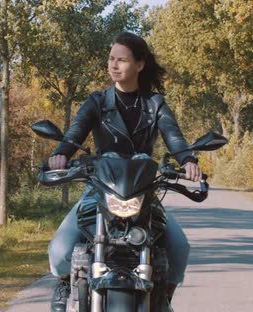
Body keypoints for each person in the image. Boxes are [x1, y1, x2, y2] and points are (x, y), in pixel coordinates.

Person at [47, 31, 201, 311]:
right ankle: (64, 284)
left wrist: (188, 160)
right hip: (101, 190)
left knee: (179, 248)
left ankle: (161, 297)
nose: (113, 65)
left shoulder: (156, 104)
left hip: (143, 193)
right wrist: (60, 155)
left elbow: (174, 136)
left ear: (139, 65)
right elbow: (75, 134)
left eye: (122, 60)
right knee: (60, 249)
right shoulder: (97, 102)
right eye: (110, 59)